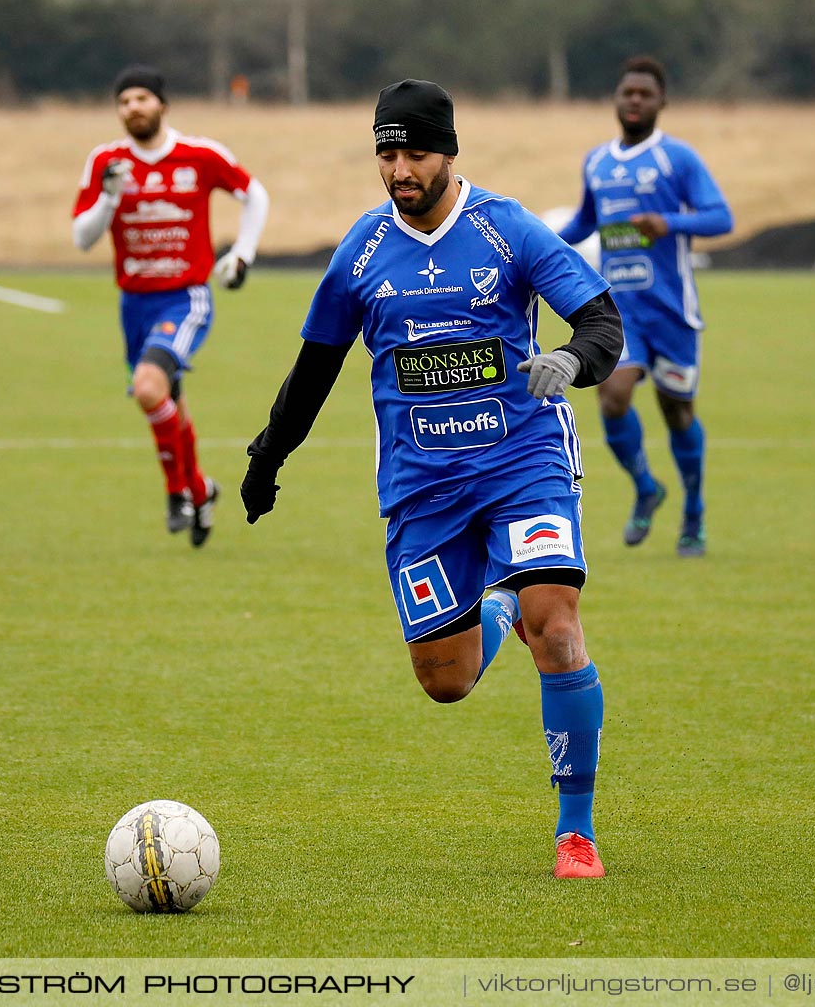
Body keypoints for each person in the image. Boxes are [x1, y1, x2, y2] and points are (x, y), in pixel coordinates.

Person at [241, 80, 624, 878]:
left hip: (522, 462)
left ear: (449, 152)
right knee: (444, 682)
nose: (399, 168)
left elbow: (601, 323)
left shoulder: (507, 228)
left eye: (415, 151)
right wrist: (268, 456)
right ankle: (502, 595)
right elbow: (314, 369)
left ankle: (575, 832)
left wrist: (571, 360)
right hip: (422, 486)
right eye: (387, 153)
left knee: (556, 626)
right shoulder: (363, 252)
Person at [72, 64, 270, 547]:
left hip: (185, 299)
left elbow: (255, 194)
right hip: (132, 304)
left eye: (141, 98)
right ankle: (201, 490)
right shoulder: (106, 162)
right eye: (123, 101)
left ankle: (177, 495)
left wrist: (241, 253)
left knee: (147, 388)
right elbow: (82, 238)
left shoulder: (199, 155)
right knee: (165, 402)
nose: (132, 108)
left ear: (161, 104)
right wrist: (109, 199)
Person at [557, 56, 733, 558]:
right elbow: (583, 224)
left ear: (661, 102)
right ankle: (644, 488)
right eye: (627, 92)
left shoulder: (678, 159)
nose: (634, 100)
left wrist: (670, 223)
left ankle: (693, 511)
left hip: (673, 313)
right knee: (612, 396)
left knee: (678, 414)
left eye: (644, 93)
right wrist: (535, 245)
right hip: (621, 313)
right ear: (616, 99)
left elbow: (721, 217)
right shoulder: (597, 162)